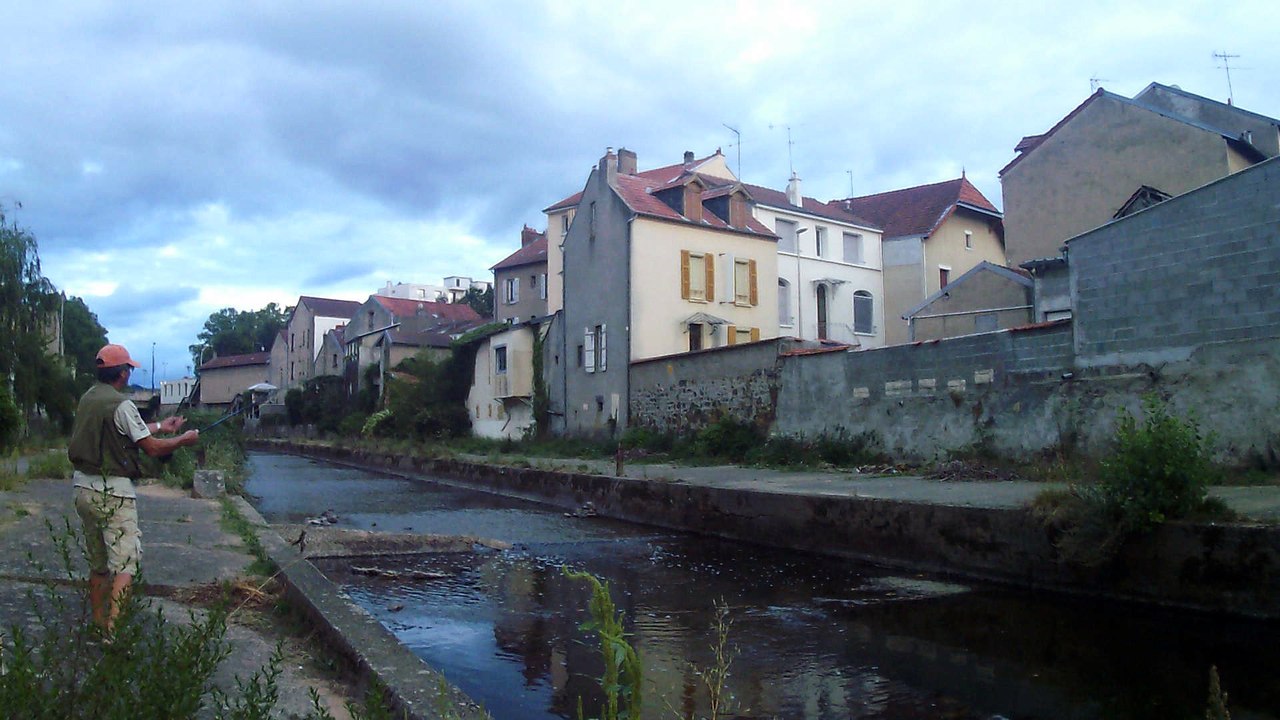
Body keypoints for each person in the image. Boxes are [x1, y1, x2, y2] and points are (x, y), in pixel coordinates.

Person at [67, 343, 200, 634]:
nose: (129, 372)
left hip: (82, 488)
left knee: (99, 564)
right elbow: (151, 449)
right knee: (126, 564)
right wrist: (183, 440)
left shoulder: (88, 398)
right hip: (113, 492)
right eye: (129, 368)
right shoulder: (122, 404)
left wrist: (161, 427)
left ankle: (99, 623)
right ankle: (113, 634)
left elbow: (125, 429)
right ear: (123, 373)